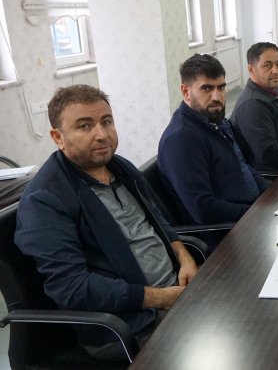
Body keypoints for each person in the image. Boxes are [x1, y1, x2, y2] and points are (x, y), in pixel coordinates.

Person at [15, 85, 198, 361]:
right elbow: (73, 287)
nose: (101, 134)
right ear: (58, 137)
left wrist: (184, 257)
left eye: (106, 121)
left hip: (178, 293)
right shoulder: (44, 200)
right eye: (84, 126)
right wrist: (163, 298)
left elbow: (157, 219)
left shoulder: (120, 167)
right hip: (130, 325)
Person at [158, 54, 270, 232]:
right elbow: (204, 209)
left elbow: (244, 168)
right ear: (186, 92)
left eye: (221, 87)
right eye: (207, 88)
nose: (217, 97)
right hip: (228, 233)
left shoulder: (215, 121)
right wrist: (256, 213)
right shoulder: (182, 139)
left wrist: (273, 194)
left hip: (250, 214)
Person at [231, 43, 278, 176]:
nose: (276, 71)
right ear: (251, 69)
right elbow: (268, 153)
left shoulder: (276, 92)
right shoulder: (252, 104)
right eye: (268, 65)